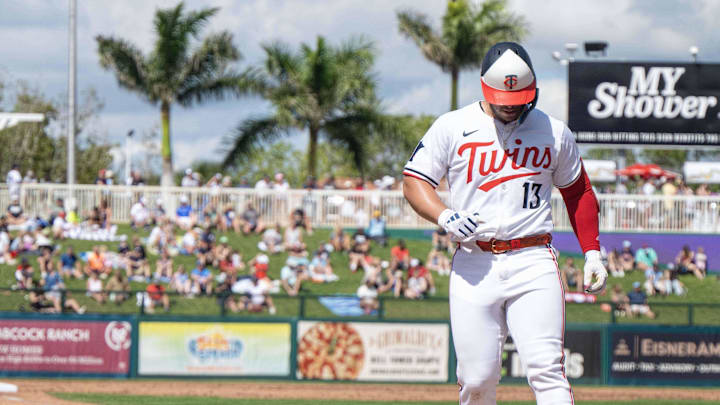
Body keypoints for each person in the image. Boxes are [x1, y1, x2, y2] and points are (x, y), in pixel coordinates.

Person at [401, 42, 606, 405]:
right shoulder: (452, 126)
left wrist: (592, 252)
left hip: (533, 258)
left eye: (517, 99)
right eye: (502, 100)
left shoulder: (554, 132)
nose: (509, 107)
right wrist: (444, 215)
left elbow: (579, 192)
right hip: (474, 261)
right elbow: (415, 181)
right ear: (485, 88)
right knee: (477, 379)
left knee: (547, 369)